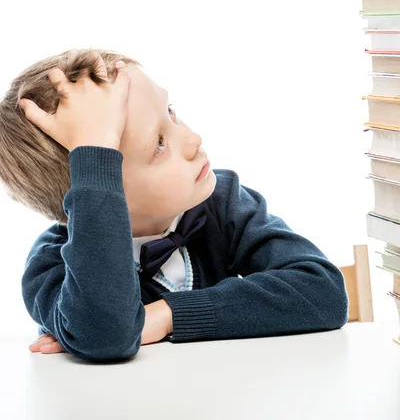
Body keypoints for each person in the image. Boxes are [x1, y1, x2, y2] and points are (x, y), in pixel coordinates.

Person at [0, 48, 348, 362]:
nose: (194, 140)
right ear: (98, 184)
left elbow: (323, 291)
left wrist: (168, 314)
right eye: (160, 144)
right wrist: (94, 152)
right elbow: (106, 336)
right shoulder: (50, 267)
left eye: (171, 112)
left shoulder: (222, 202)